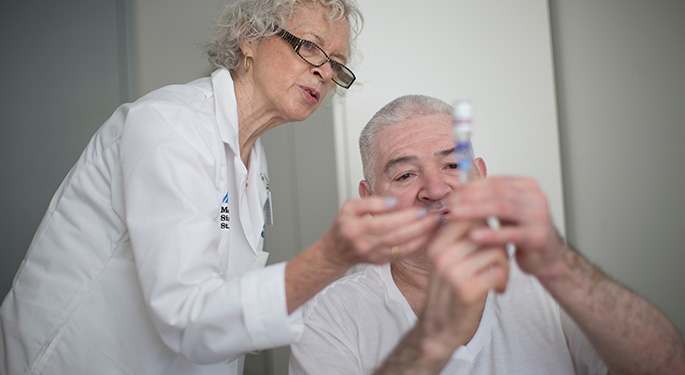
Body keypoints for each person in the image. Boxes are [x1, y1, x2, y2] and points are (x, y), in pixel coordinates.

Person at [0, 2, 444, 374]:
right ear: (249, 38)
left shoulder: (252, 161)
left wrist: (386, 298)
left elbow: (240, 299)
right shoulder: (171, 127)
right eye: (311, 47)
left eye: (337, 63)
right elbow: (189, 317)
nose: (325, 73)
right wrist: (329, 259)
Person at [289, 94, 685, 374]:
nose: (436, 189)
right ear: (369, 200)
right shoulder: (329, 316)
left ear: (479, 175)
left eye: (451, 165)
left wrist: (562, 266)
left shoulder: (547, 282)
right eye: (406, 174)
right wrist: (433, 340)